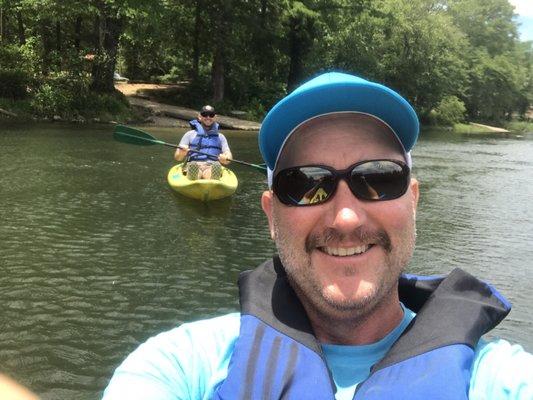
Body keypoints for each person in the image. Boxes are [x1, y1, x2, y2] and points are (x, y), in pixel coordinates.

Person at [102, 72, 532, 399]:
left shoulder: (501, 379)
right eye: (306, 183)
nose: (345, 218)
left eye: (378, 178)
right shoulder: (182, 365)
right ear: (272, 215)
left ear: (413, 200)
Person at [174, 105, 232, 180]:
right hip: (194, 164)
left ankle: (212, 178)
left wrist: (226, 159)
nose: (208, 117)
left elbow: (228, 154)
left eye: (211, 115)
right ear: (199, 117)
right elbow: (178, 158)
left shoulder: (221, 137)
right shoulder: (189, 134)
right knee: (195, 170)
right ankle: (194, 176)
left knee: (210, 172)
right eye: (205, 114)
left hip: (212, 165)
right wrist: (182, 153)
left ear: (215, 117)